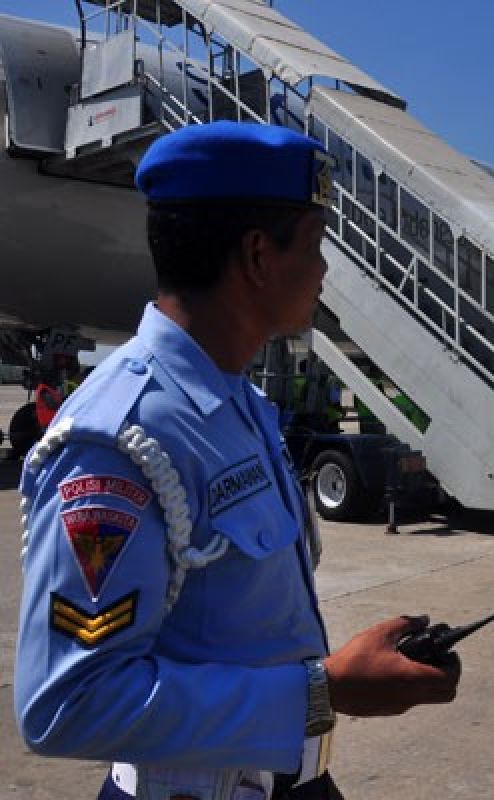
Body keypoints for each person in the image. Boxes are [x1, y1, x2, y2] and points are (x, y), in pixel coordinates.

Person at [14, 122, 460, 800]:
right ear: (257, 257)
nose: (324, 269)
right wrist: (324, 690)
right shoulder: (118, 441)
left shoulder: (239, 405)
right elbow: (69, 702)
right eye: (314, 245)